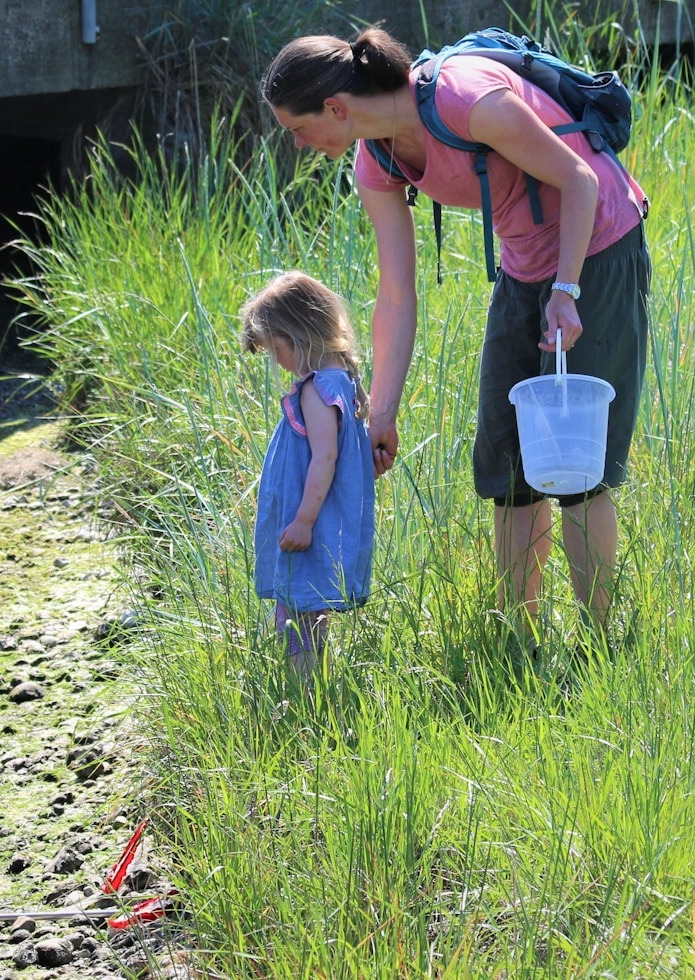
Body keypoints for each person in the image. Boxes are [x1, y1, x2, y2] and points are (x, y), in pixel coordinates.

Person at [261, 27, 651, 644]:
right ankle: (518, 641)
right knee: (507, 465)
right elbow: (396, 294)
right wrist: (381, 413)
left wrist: (567, 291)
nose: (299, 144)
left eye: (298, 128)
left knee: (576, 461)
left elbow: (581, 180)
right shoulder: (376, 160)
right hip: (524, 267)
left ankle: (601, 644)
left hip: (596, 248)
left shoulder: (467, 101)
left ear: (334, 107)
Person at [240, 271, 376, 677]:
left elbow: (325, 458)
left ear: (299, 335)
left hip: (312, 523)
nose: (279, 363)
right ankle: (315, 684)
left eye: (276, 349)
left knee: (297, 615)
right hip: (324, 519)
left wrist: (302, 520)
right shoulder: (343, 381)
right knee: (308, 612)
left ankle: (303, 692)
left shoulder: (317, 390)